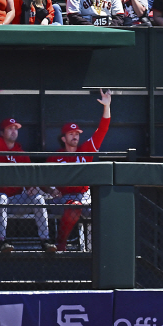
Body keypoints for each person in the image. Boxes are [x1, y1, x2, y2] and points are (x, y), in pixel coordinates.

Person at [0, 79, 54, 254]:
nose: (14, 131)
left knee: (38, 199)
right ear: (2, 132)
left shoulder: (21, 152)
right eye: (10, 128)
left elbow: (30, 176)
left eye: (16, 128)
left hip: (16, 199)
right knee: (1, 199)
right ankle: (3, 241)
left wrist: (32, 188)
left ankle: (45, 240)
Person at [47, 90, 111, 251]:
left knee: (106, 208)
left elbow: (102, 131)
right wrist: (51, 190)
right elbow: (41, 179)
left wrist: (107, 107)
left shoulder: (86, 150)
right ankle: (61, 243)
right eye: (71, 133)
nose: (75, 136)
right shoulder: (55, 157)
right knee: (74, 205)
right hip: (61, 199)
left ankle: (105, 248)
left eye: (77, 133)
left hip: (84, 196)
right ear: (63, 138)